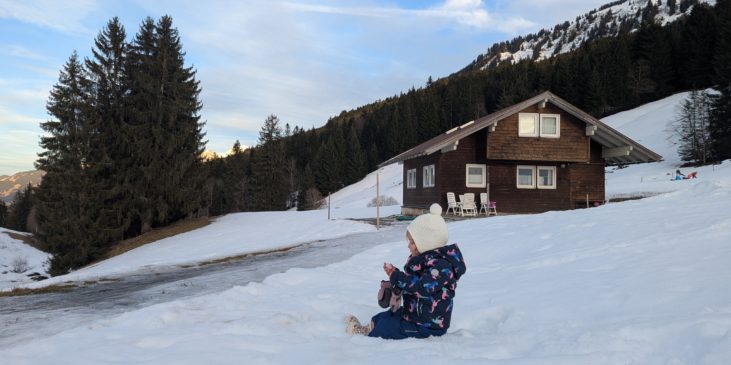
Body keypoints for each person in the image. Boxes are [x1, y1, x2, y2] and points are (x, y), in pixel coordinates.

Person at [346, 203, 467, 339]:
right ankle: (368, 328)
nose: (408, 245)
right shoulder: (424, 259)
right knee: (383, 317)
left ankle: (366, 335)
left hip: (428, 325)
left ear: (426, 242)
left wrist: (397, 277)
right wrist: (394, 276)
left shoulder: (441, 266)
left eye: (412, 242)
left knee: (387, 327)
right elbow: (412, 279)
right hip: (415, 314)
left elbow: (422, 287)